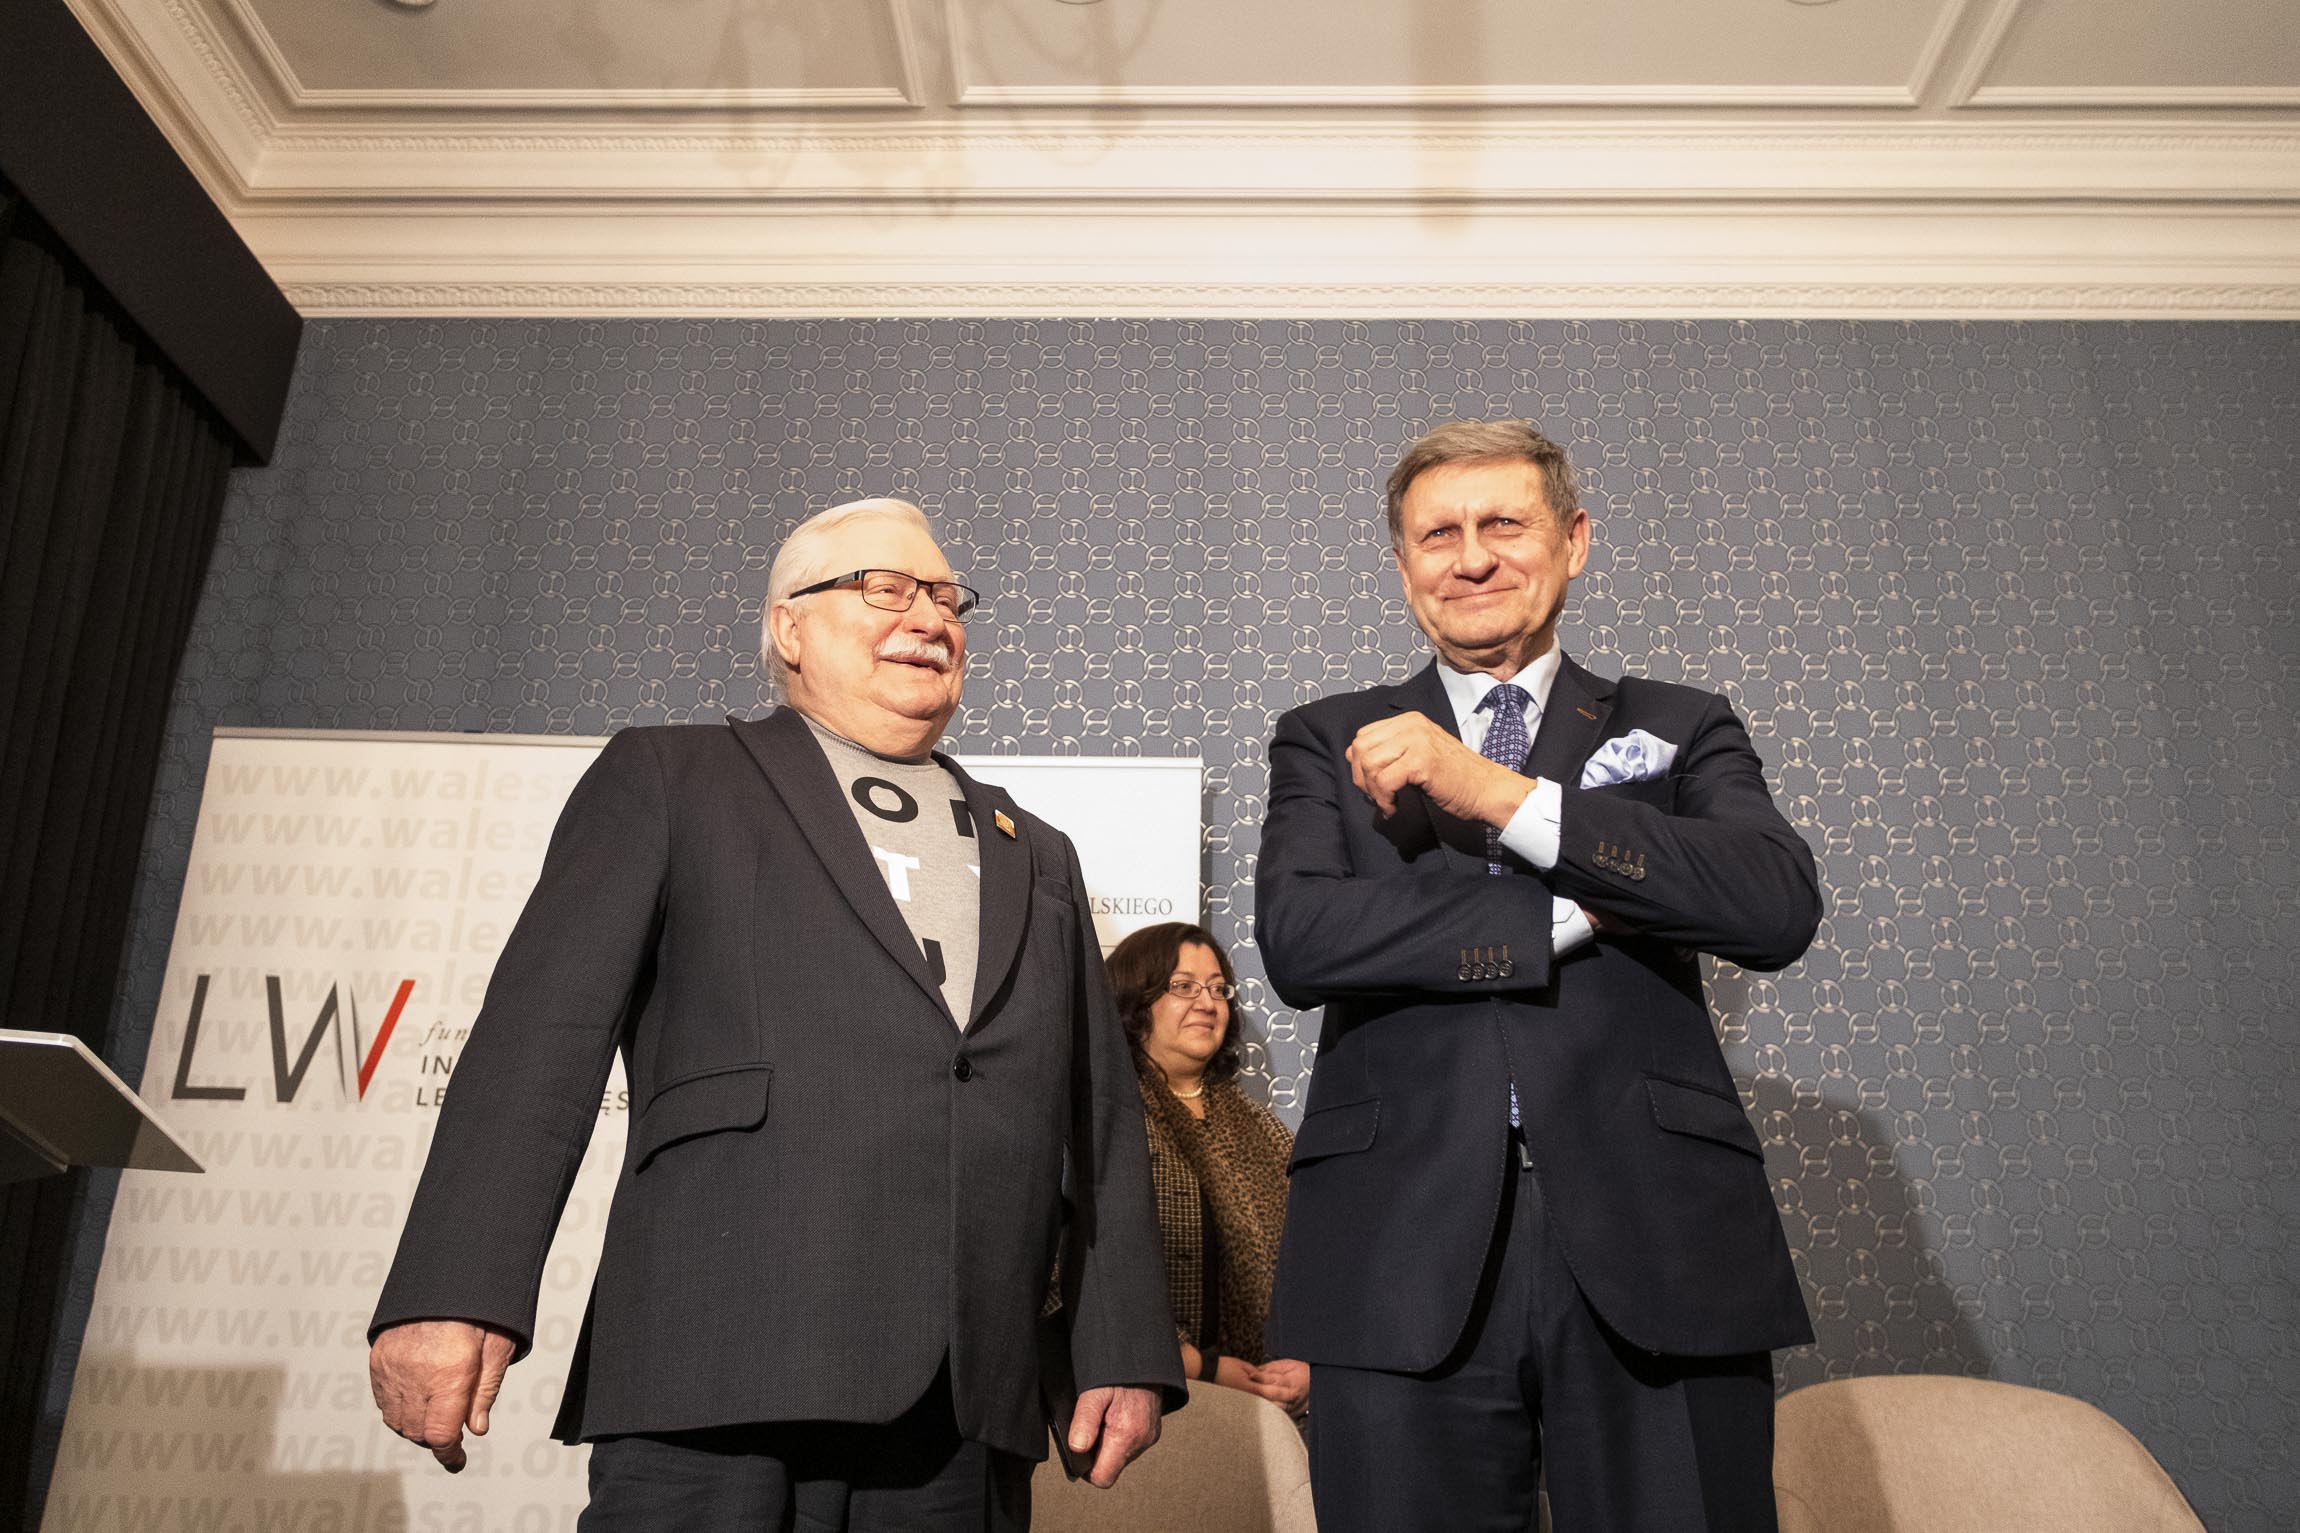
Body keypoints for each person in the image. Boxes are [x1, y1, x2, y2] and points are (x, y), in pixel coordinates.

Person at [366, 497, 1182, 1531]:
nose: (927, 616)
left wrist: (1120, 1341)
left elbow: (1098, 1119)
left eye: (945, 597)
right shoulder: (671, 777)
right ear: (789, 628)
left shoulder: (1040, 851)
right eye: (884, 588)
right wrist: (453, 1290)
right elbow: (539, 1046)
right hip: (719, 1362)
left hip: (964, 1397)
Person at [1256, 420, 1822, 1533]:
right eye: (1438, 535)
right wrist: (1570, 912)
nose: (1471, 558)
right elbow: (1303, 939)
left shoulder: (1680, 723)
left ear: (1573, 541)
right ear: (1403, 566)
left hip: (1661, 1235)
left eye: (1504, 524)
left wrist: (1492, 793)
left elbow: (1770, 905)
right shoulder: (1325, 736)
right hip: (1395, 1245)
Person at [1106, 923, 1308, 1419]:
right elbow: (1077, 1270)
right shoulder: (1105, 1122)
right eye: (1183, 986)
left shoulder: (1266, 1130)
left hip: (1272, 1410)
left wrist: (1310, 1364)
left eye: (1218, 989)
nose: (1207, 1003)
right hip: (1152, 1405)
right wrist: (1201, 1366)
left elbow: (1320, 1261)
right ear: (1135, 1003)